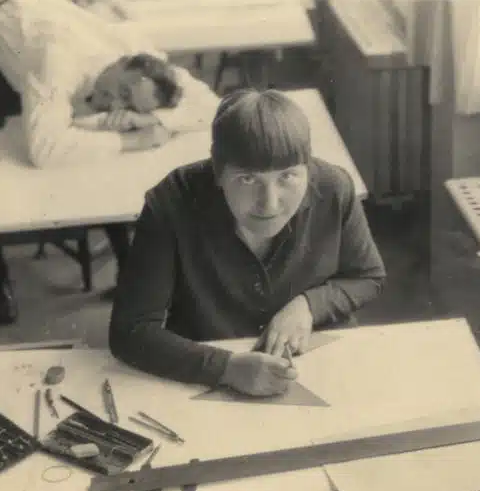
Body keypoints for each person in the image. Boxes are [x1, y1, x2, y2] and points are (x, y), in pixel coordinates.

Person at [0, 0, 221, 325]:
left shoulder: (141, 53)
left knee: (98, 156)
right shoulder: (57, 61)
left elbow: (212, 105)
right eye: (120, 88)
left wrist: (157, 121)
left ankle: (127, 264)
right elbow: (45, 150)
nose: (115, 102)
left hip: (51, 21)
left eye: (129, 102)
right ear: (120, 64)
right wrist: (132, 139)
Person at [109, 89, 386, 397]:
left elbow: (367, 276)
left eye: (288, 177)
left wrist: (308, 306)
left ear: (307, 167)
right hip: (205, 381)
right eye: (247, 179)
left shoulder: (336, 187)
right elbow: (131, 331)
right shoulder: (170, 202)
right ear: (218, 170)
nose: (269, 204)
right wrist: (225, 368)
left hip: (319, 365)